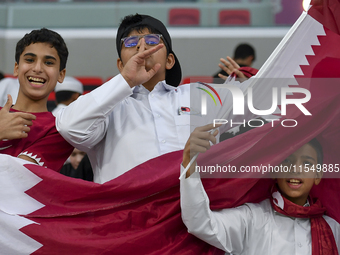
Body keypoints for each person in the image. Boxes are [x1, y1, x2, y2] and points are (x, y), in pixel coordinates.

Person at [56, 14, 258, 184]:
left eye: (152, 41)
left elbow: (265, 113)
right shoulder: (108, 109)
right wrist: (126, 80)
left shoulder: (198, 94)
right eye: (131, 43)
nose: (142, 47)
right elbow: (69, 128)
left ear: (169, 60)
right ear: (120, 65)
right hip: (130, 224)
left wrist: (248, 89)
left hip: (194, 219)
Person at [180, 124, 340, 254]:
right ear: (275, 170)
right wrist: (189, 162)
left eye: (307, 163)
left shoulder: (333, 229)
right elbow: (200, 223)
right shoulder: (251, 219)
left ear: (318, 175)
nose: (295, 169)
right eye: (287, 161)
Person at [0, 28, 73, 171]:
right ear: (16, 68)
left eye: (49, 62)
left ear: (61, 75)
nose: (38, 68)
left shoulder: (59, 131)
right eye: (29, 60)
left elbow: (16, 176)